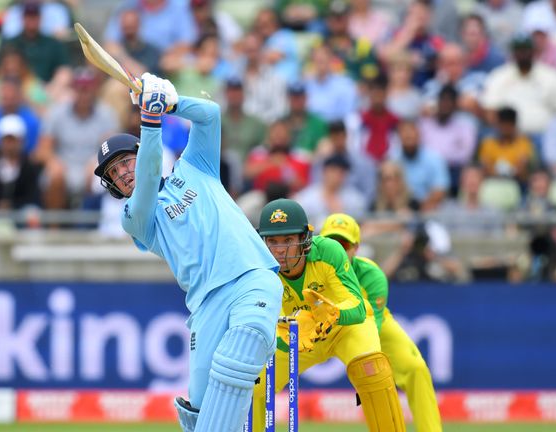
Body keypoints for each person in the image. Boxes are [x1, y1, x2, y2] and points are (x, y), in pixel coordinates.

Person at [94, 73, 283, 432]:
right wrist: (151, 120)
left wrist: (171, 102)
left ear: (137, 153)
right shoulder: (136, 219)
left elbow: (210, 115)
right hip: (205, 305)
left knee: (239, 353)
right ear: (113, 187)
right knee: (197, 408)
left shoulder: (197, 166)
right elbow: (149, 177)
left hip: (251, 277)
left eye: (124, 162)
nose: (123, 173)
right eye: (114, 173)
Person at [252, 198, 405, 432]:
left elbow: (357, 308)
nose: (280, 250)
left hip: (344, 328)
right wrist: (286, 337)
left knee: (373, 370)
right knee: (254, 387)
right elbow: (268, 325)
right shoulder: (259, 268)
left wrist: (332, 315)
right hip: (300, 338)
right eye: (273, 241)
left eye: (288, 240)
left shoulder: (329, 252)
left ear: (304, 240)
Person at [320, 213, 442, 432]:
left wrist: (366, 369)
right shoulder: (313, 270)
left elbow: (371, 331)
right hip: (324, 325)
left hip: (368, 326)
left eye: (344, 244)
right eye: (332, 243)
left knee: (416, 368)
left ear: (356, 248)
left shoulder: (372, 276)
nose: (338, 250)